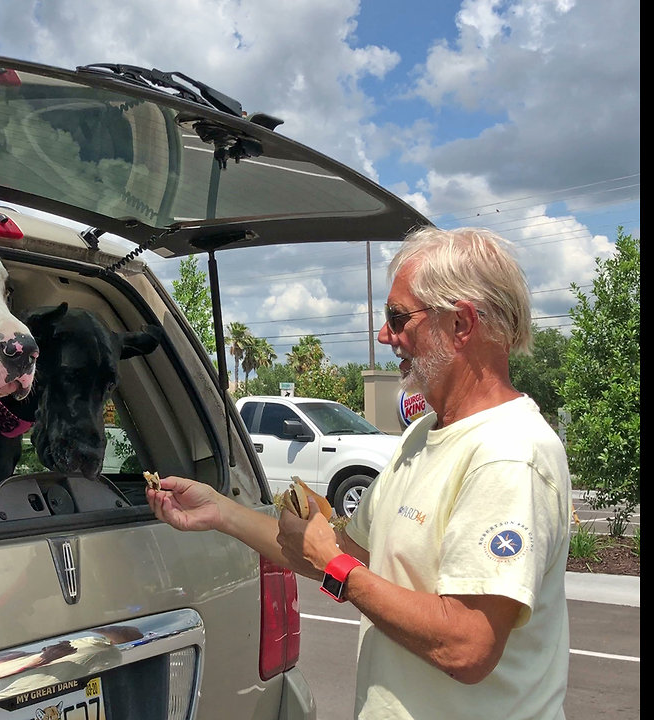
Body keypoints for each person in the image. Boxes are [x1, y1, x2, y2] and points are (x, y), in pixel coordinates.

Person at [148, 227, 571, 720]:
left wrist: (338, 569)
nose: (384, 335)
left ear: (460, 324)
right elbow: (338, 554)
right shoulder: (424, 436)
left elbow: (467, 647)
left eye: (398, 317)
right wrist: (221, 512)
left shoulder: (509, 452)